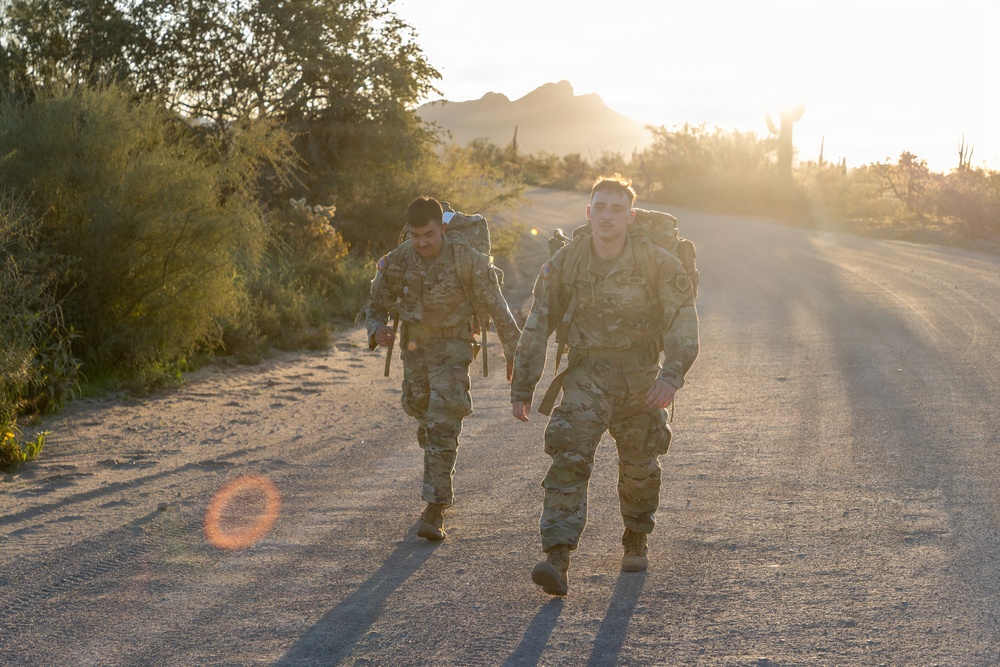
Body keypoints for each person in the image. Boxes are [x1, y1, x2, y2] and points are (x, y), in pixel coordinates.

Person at [511, 175, 699, 596]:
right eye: (601, 207)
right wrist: (523, 387)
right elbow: (538, 325)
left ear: (630, 217)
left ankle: (635, 534)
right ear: (588, 212)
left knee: (641, 463)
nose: (608, 216)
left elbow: (683, 325)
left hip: (640, 378)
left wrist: (671, 377)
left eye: (617, 209)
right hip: (587, 375)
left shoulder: (657, 262)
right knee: (568, 453)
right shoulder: (565, 262)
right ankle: (557, 557)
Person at [364, 195, 521, 540]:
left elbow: (498, 307)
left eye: (429, 235)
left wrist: (515, 353)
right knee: (419, 409)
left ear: (442, 230)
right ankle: (435, 446)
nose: (422, 242)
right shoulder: (398, 260)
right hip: (415, 346)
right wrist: (377, 329)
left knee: (442, 419)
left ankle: (435, 508)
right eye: (416, 235)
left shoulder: (467, 258)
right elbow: (375, 305)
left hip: (454, 345)